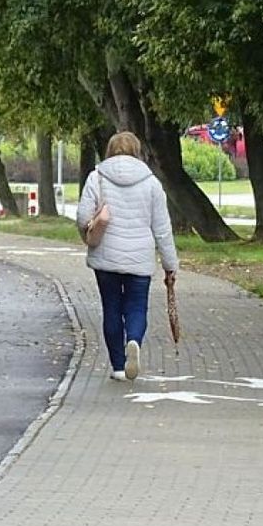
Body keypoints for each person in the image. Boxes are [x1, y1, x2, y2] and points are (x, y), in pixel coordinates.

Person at [76, 131, 179, 381]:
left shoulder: (96, 177)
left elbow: (82, 216)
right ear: (137, 151)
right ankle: (133, 340)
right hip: (139, 258)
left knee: (111, 308)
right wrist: (170, 265)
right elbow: (162, 229)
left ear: (110, 150)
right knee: (136, 307)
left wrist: (88, 230)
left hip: (105, 256)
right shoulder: (151, 182)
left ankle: (119, 367)